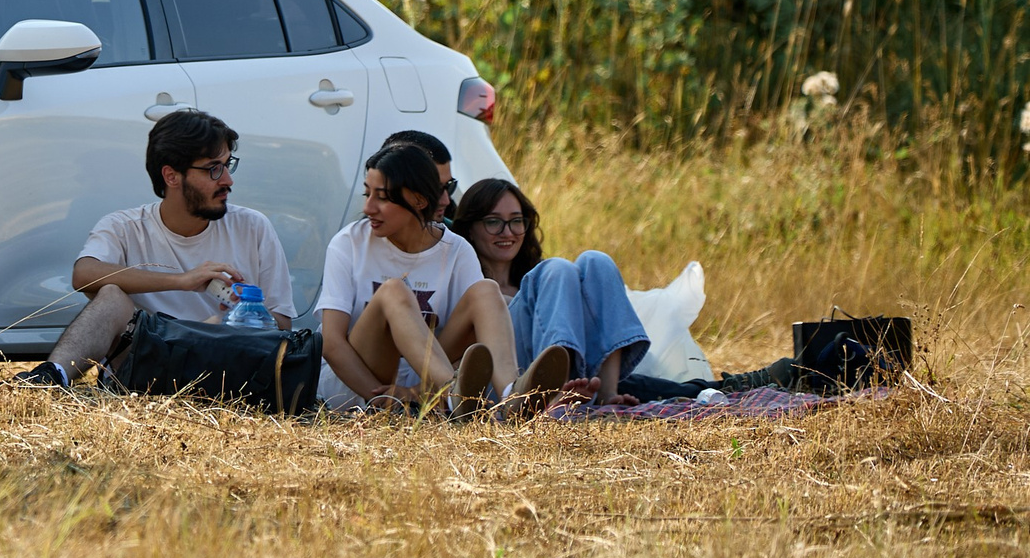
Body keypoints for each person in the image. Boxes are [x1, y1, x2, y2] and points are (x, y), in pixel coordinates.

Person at [453, 177, 805, 403]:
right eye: (494, 221)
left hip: (584, 376)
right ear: (470, 227)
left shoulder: (537, 279)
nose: (508, 231)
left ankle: (607, 393)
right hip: (511, 385)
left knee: (595, 261)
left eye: (517, 221)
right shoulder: (466, 283)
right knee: (560, 267)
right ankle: (551, 392)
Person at [20, 108, 296, 388]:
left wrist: (226, 322)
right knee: (111, 296)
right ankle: (50, 378)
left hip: (220, 368)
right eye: (214, 168)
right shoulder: (125, 226)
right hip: (144, 362)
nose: (227, 180)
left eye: (228, 164)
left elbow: (282, 323)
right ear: (171, 176)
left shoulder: (252, 226)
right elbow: (84, 274)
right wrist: (182, 281)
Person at [316, 143, 572, 416]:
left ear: (419, 200)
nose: (368, 208)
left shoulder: (456, 251)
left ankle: (511, 395)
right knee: (394, 291)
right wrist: (385, 404)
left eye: (382, 197)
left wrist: (415, 396)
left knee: (486, 291)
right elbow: (332, 343)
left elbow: (473, 346)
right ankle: (452, 393)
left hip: (422, 385)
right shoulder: (349, 243)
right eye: (368, 194)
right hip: (356, 384)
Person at [381, 129, 457, 223]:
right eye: (433, 189)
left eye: (449, 185)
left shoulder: (456, 235)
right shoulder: (360, 235)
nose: (446, 201)